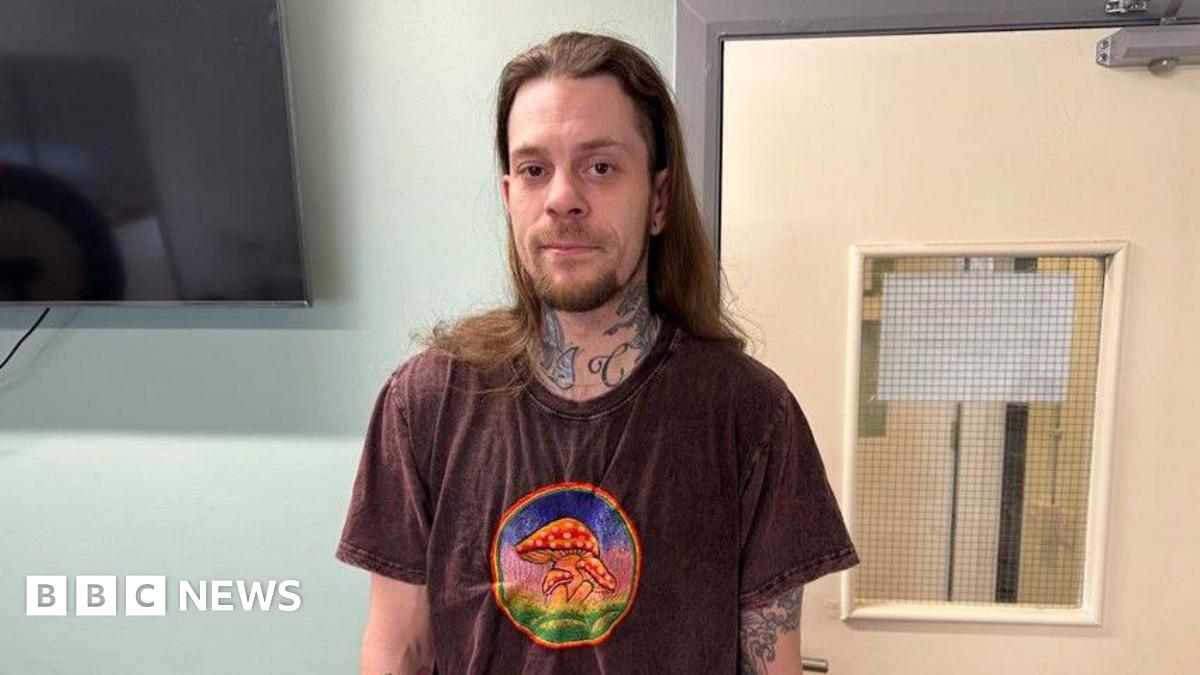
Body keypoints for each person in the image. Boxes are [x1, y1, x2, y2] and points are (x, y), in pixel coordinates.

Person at [336, 31, 858, 674]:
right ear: (509, 197)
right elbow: (400, 648)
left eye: (600, 166)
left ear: (658, 200)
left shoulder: (749, 413)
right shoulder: (425, 403)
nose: (562, 197)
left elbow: (770, 661)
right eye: (534, 169)